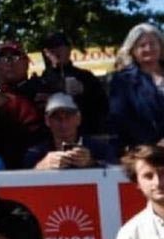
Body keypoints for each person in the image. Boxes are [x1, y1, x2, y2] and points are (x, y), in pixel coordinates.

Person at [0, 41, 45, 168]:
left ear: (27, 62)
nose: (9, 62)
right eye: (3, 57)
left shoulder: (44, 90)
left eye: (15, 56)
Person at [37, 31, 109, 135]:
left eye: (59, 45)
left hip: (85, 134)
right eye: (50, 48)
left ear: (69, 49)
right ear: (46, 53)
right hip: (53, 138)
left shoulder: (85, 76)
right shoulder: (41, 82)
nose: (55, 50)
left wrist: (84, 92)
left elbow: (103, 107)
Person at [24, 92, 118, 169]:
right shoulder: (35, 153)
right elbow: (22, 181)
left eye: (68, 117)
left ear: (78, 119)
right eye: (57, 118)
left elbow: (117, 173)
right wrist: (41, 166)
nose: (63, 123)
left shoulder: (100, 149)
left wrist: (91, 163)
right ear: (47, 121)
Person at [108, 22, 164, 150]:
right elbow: (120, 119)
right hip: (145, 151)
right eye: (142, 45)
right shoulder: (123, 80)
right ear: (132, 50)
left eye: (153, 43)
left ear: (161, 46)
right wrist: (155, 145)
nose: (148, 48)